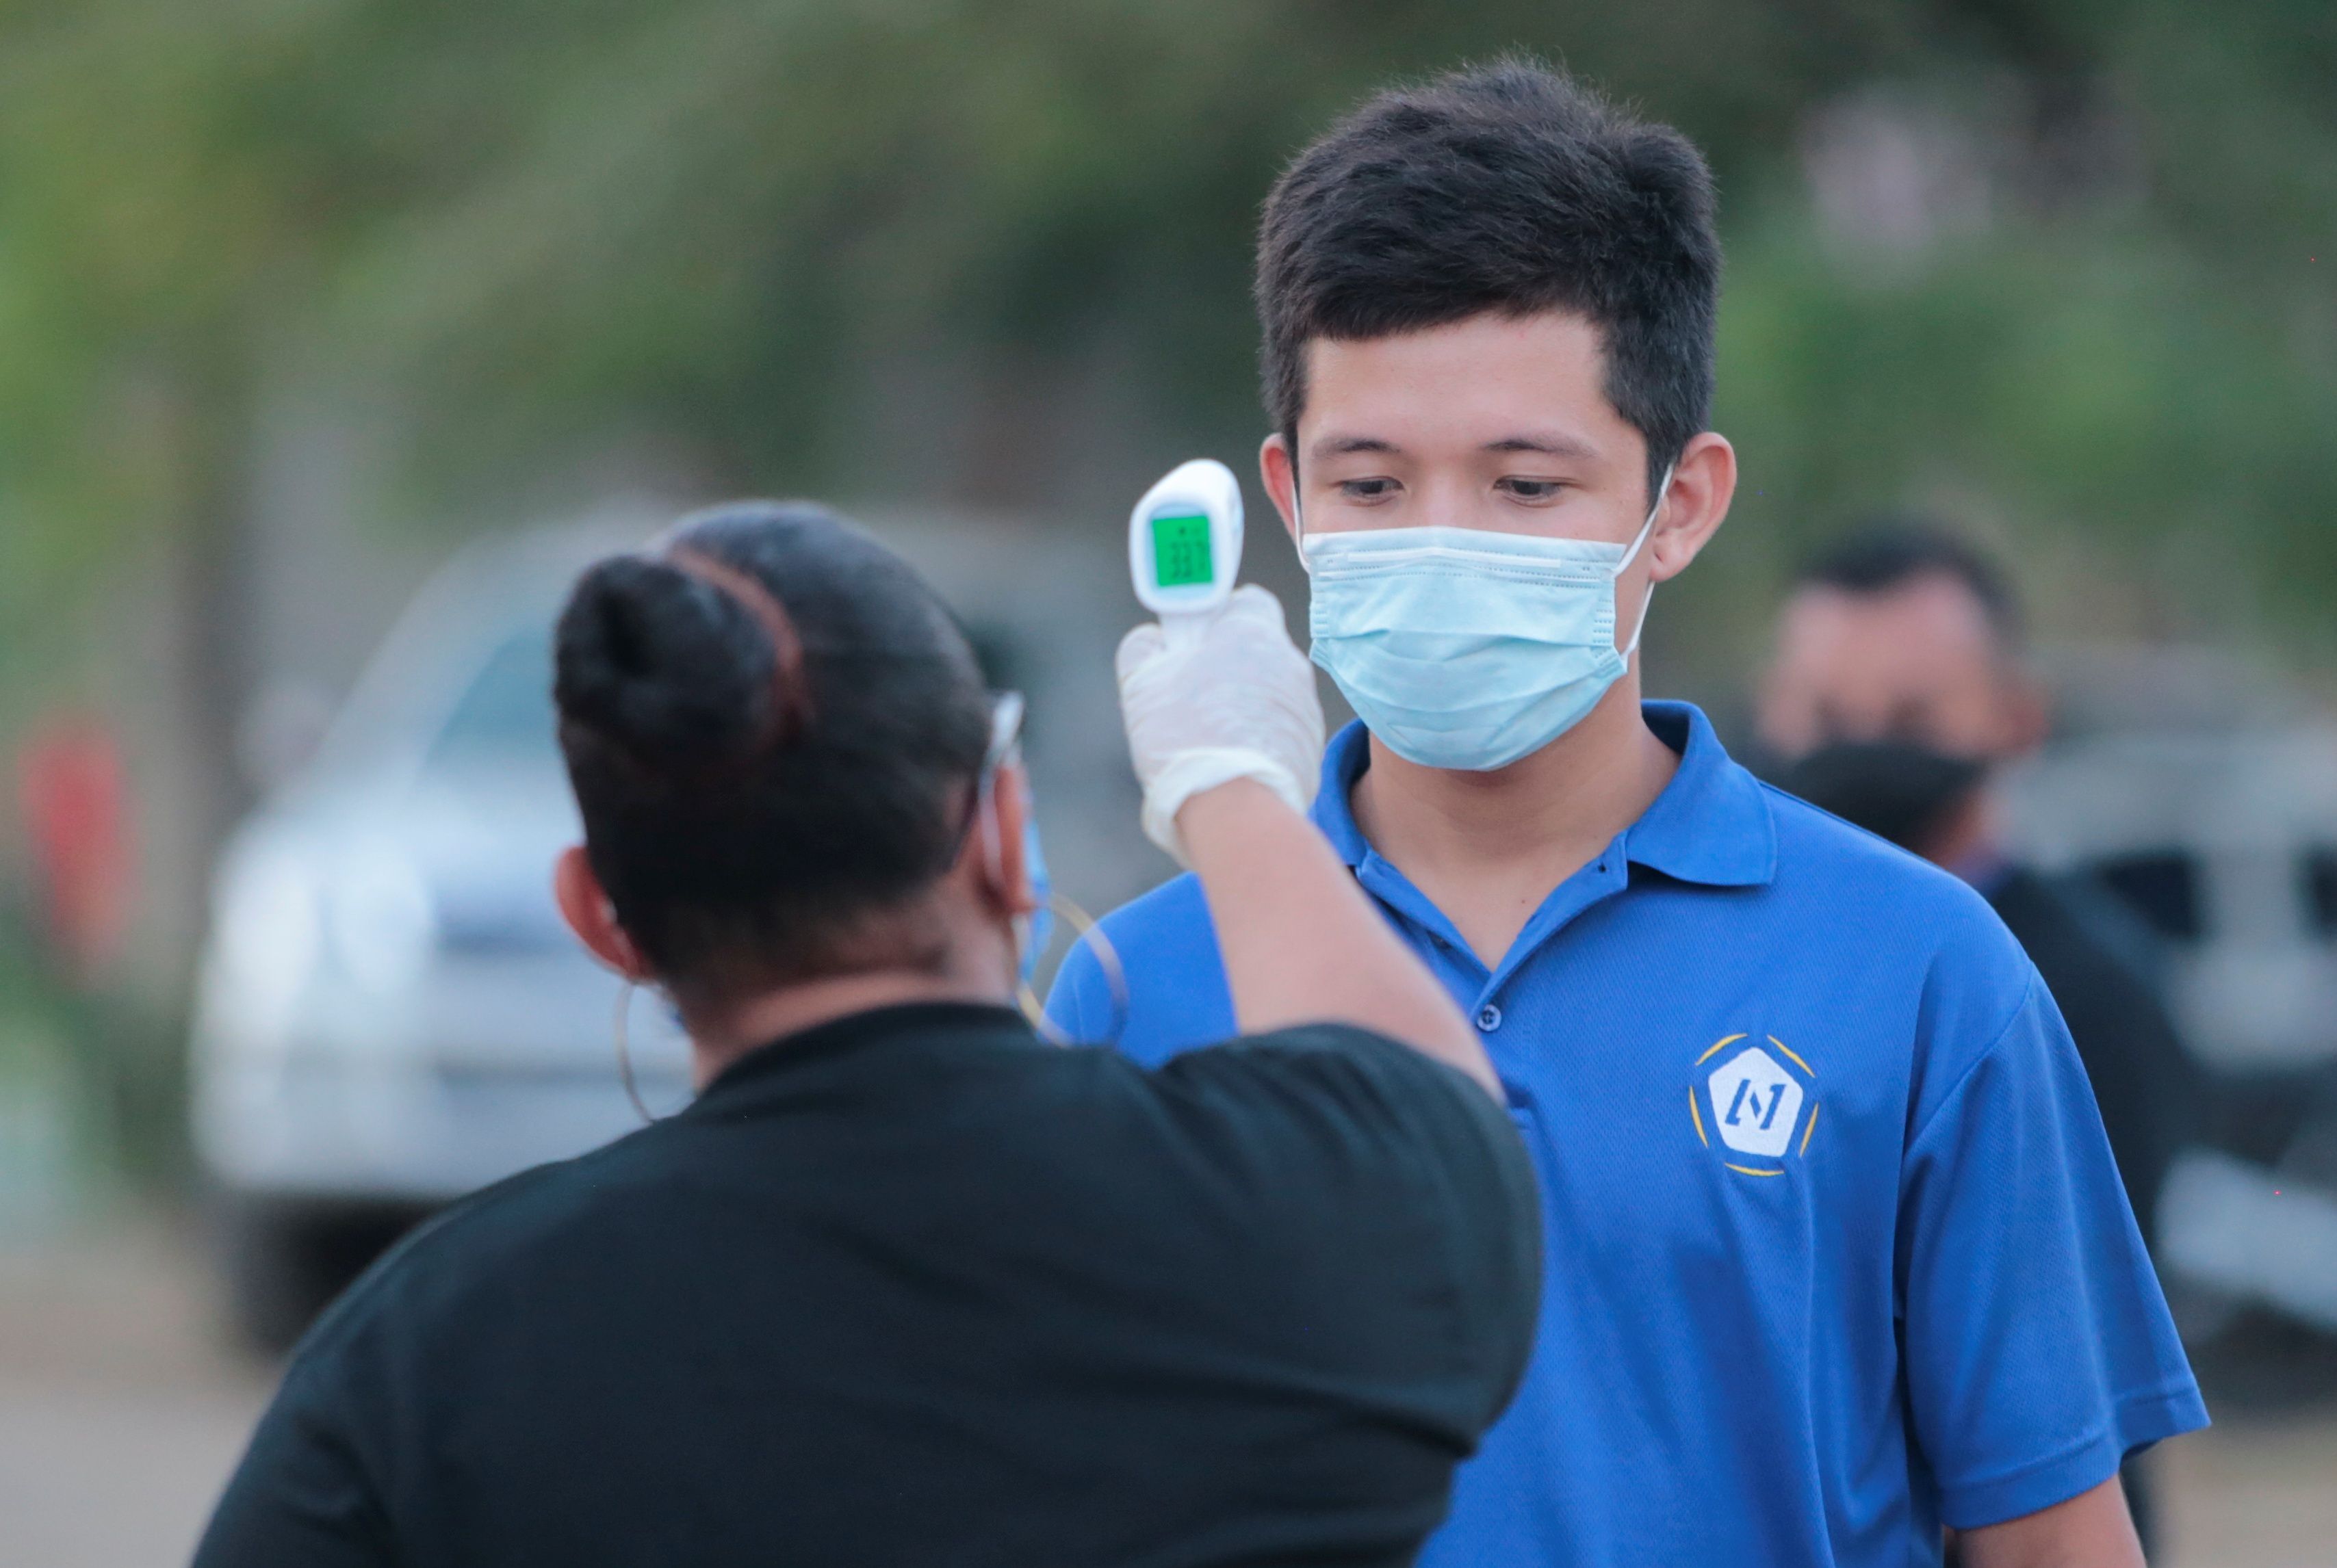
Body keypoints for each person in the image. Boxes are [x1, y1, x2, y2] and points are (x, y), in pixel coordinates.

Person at [1048, 61, 2204, 1568]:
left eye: (1526, 485)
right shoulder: (1136, 989)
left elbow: (2053, 1543)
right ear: (1285, 493)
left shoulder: (1923, 971)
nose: (1442, 543)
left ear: (1681, 504)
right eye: (1373, 483)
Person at [192, 501, 1542, 1567]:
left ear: (604, 920)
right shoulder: (1311, 1228)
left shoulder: (428, 1362)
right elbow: (1432, 1103)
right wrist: (1234, 790)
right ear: (1002, 836)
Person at [1756, 520, 2202, 1552]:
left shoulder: (2085, 990)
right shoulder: (1733, 956)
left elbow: (2052, 1366)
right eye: (1826, 714)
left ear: (2014, 720)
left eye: (1910, 717)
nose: (1861, 747)